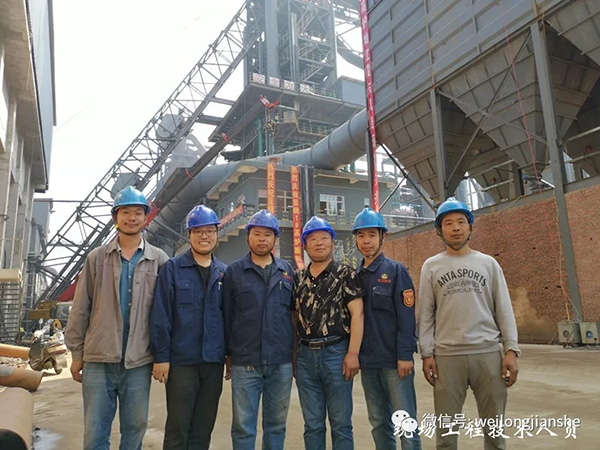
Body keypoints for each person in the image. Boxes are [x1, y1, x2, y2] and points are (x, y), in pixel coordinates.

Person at [65, 186, 169, 450]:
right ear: (115, 217)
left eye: (138, 213)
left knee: (135, 429)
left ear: (145, 217)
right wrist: (77, 352)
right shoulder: (96, 258)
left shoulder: (159, 260)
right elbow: (81, 308)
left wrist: (163, 355)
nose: (132, 218)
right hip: (99, 360)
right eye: (126, 212)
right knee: (95, 432)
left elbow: (166, 312)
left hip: (139, 361)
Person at [418, 197, 520, 450]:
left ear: (470, 227)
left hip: (487, 354)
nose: (456, 228)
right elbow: (425, 314)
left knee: (494, 432)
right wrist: (427, 353)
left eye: (461, 222)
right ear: (439, 230)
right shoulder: (431, 266)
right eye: (448, 223)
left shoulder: (488, 264)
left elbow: (503, 308)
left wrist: (511, 350)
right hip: (447, 357)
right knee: (446, 434)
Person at [150, 205, 227, 449]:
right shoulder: (172, 269)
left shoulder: (224, 273)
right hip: (182, 362)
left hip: (213, 362)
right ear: (189, 234)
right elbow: (161, 315)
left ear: (216, 234)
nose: (204, 236)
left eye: (209, 231)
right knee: (178, 428)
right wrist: (161, 357)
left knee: (203, 430)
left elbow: (230, 318)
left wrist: (230, 355)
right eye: (198, 231)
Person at [222, 209, 295, 450]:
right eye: (257, 234)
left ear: (275, 239)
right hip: (245, 362)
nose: (262, 239)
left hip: (280, 363)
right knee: (243, 427)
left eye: (267, 234)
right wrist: (228, 354)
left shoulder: (287, 271)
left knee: (276, 425)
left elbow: (294, 315)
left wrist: (294, 355)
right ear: (248, 238)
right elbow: (226, 315)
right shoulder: (234, 272)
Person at [293, 215, 364, 450]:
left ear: (333, 243)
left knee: (341, 424)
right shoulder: (298, 278)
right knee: (313, 425)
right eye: (313, 239)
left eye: (324, 238)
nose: (319, 243)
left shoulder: (345, 274)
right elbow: (294, 317)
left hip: (336, 353)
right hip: (305, 356)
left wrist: (352, 353)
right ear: (305, 245)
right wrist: (294, 356)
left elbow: (357, 314)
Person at [353, 207, 422, 450]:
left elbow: (407, 316)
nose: (366, 241)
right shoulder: (355, 276)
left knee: (405, 422)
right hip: (368, 364)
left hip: (394, 362)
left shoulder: (396, 271)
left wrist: (405, 355)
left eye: (372, 235)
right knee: (378, 422)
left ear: (383, 236)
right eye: (361, 235)